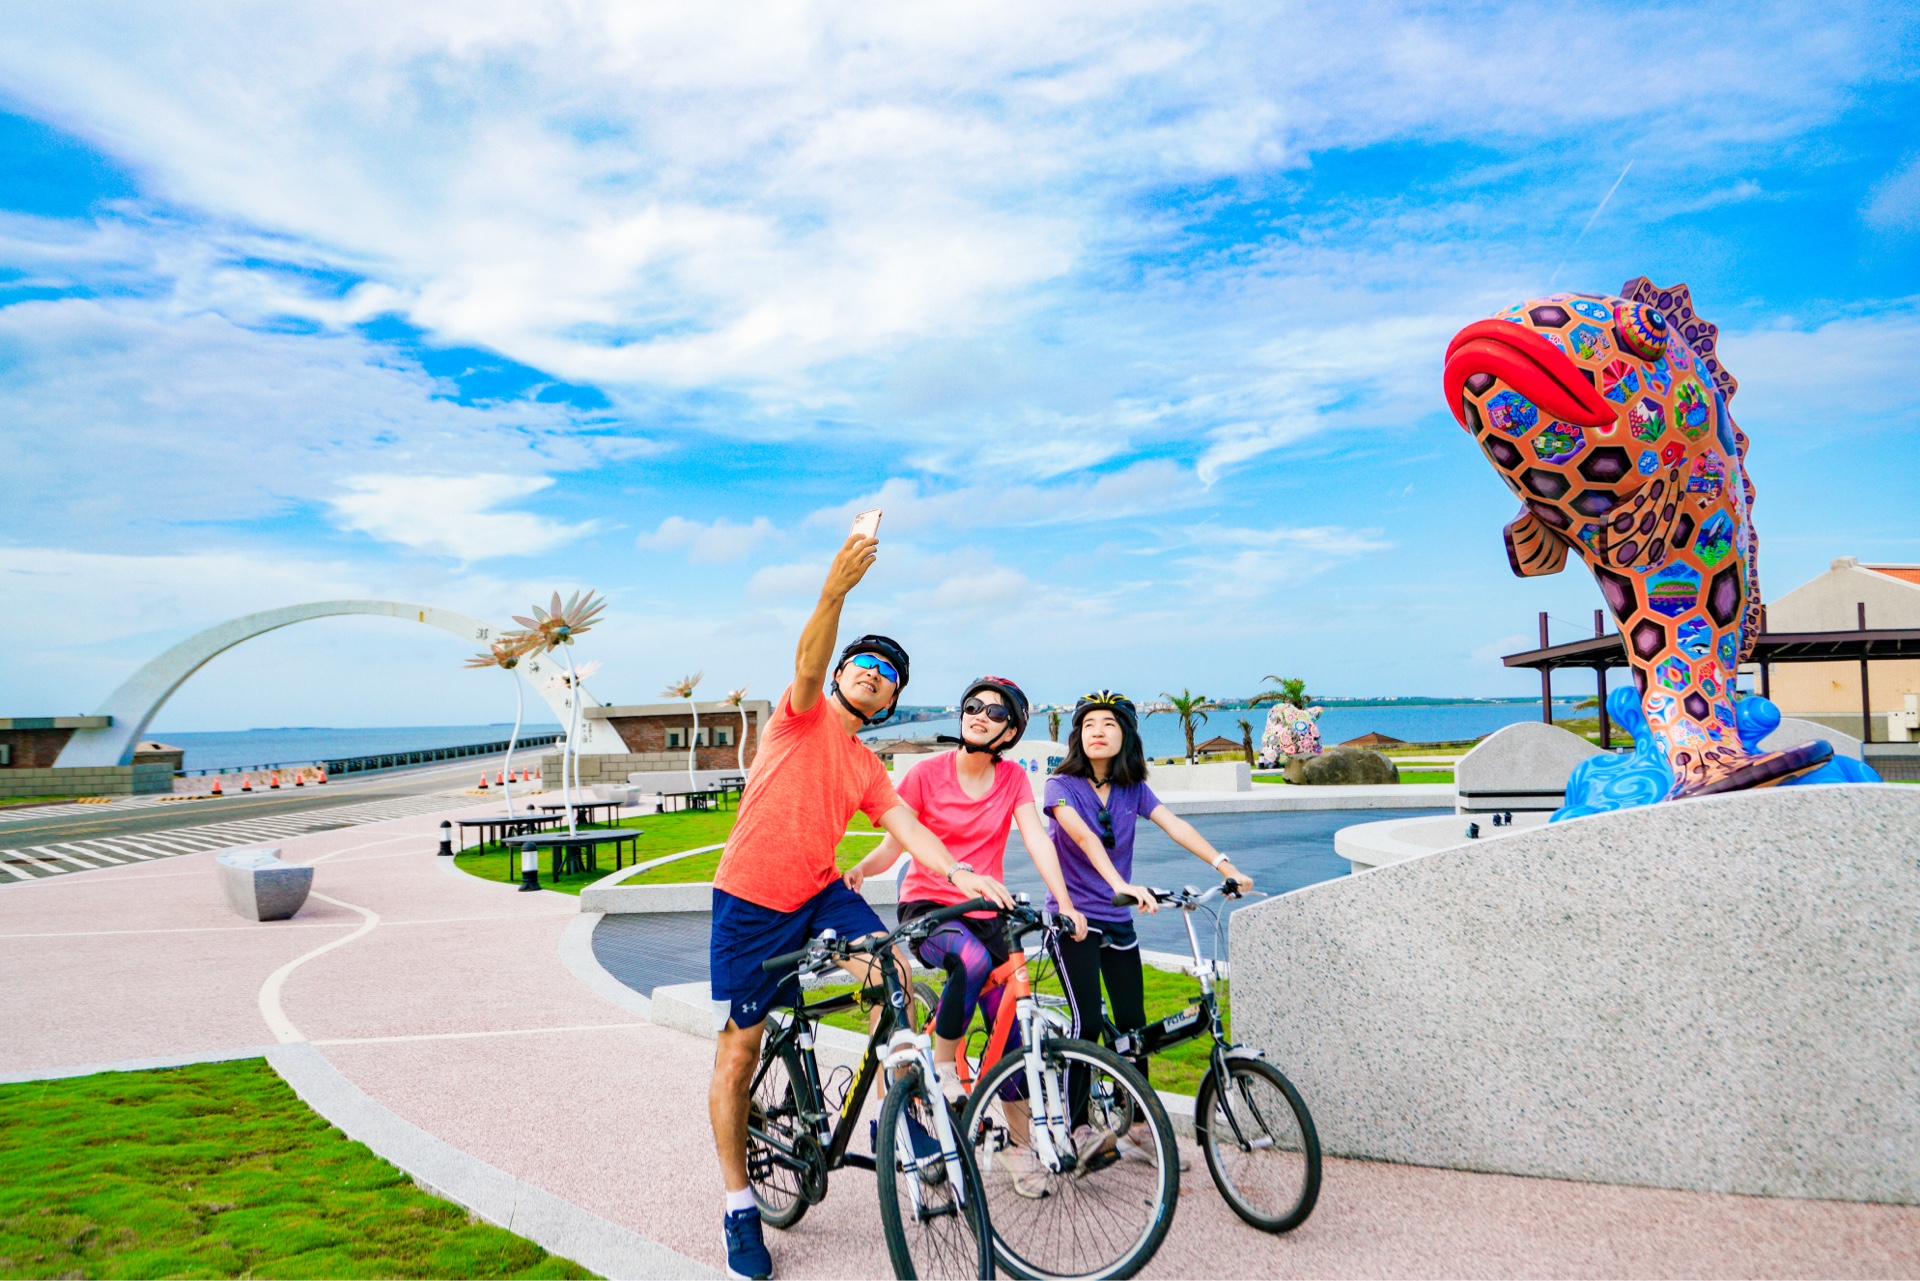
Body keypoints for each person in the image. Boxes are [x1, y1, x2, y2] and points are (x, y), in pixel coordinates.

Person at [706, 532, 1013, 1281]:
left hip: (820, 893)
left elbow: (910, 828)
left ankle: (901, 1110)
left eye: (890, 676)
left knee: (896, 978)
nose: (875, 675)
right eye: (866, 664)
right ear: (844, 674)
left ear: (895, 702)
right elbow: (809, 660)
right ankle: (739, 1204)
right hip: (749, 900)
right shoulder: (799, 715)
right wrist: (834, 590)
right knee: (740, 1049)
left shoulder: (867, 764)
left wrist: (962, 873)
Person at [843, 676, 1089, 1195]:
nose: (979, 716)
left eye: (995, 713)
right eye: (973, 707)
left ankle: (1020, 1151)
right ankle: (943, 1066)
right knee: (972, 961)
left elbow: (1039, 843)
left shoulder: (1014, 781)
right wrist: (864, 868)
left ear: (1011, 732)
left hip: (985, 908)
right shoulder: (927, 774)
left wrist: (1063, 902)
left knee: (1014, 1035)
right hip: (929, 908)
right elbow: (897, 843)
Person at [1043, 690, 1251, 1164]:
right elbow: (1081, 836)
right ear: (1078, 734)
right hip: (1073, 917)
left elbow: (1174, 824)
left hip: (1117, 918)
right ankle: (1076, 1129)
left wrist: (1225, 867)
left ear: (1126, 736)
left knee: (1134, 1027)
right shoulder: (1060, 785)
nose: (1098, 730)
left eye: (1110, 724)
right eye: (1090, 723)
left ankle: (1137, 1127)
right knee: (1087, 1022)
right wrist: (1122, 883)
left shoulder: (1134, 789)